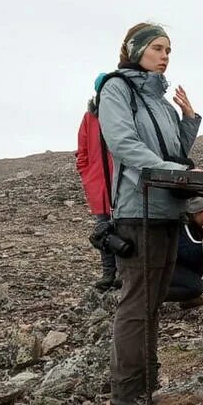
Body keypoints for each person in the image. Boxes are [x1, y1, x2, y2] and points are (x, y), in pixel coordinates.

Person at [97, 22, 201, 405]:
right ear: (136, 49)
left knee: (152, 305)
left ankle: (148, 388)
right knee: (136, 304)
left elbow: (172, 153)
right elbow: (122, 143)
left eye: (168, 50)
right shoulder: (117, 89)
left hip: (166, 210)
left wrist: (188, 120)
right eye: (158, 48)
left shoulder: (160, 100)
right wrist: (167, 172)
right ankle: (126, 396)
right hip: (136, 211)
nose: (164, 55)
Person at [76, 85, 122, 291]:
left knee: (125, 228)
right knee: (104, 231)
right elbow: (82, 151)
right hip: (99, 185)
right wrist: (87, 176)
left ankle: (123, 272)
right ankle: (108, 273)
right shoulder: (89, 118)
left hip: (121, 184)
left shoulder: (122, 112)